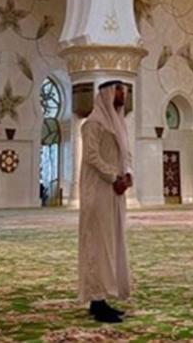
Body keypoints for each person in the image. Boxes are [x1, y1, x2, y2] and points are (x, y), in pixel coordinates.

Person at [78, 80, 133, 323]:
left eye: (123, 90)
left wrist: (127, 175)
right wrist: (113, 177)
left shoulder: (118, 125)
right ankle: (97, 300)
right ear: (107, 94)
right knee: (97, 245)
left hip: (114, 192)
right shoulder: (93, 123)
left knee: (111, 243)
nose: (123, 94)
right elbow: (91, 157)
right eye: (118, 90)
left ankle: (103, 297)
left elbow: (125, 155)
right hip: (98, 191)